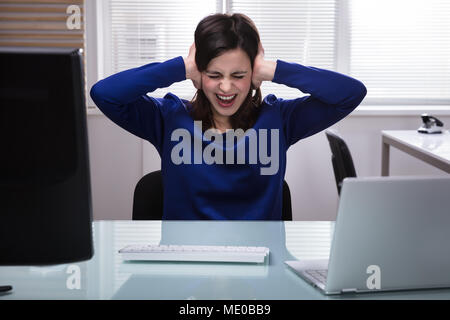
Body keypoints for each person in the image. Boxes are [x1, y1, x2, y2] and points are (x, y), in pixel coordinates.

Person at [90, 13, 367, 220]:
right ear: (199, 74)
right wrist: (181, 67)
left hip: (261, 268)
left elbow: (350, 93)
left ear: (254, 75)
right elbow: (105, 94)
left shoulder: (278, 118)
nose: (225, 87)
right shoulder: (169, 117)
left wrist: (273, 70)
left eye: (238, 75)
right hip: (185, 265)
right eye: (213, 75)